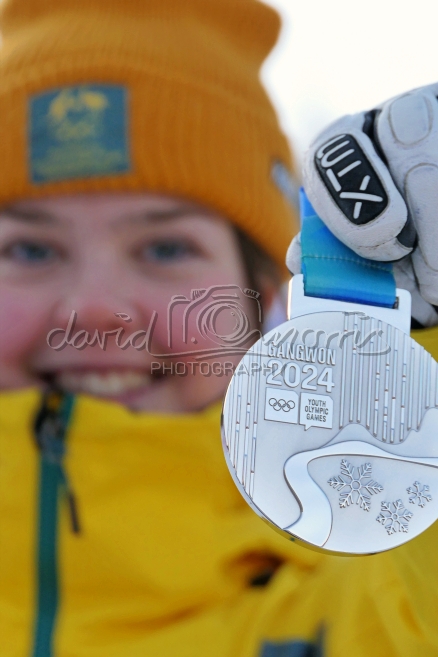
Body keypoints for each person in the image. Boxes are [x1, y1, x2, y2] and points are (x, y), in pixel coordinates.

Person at [0, 1, 437, 656]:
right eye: (29, 250)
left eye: (166, 247)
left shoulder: (370, 603)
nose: (93, 310)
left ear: (265, 301)